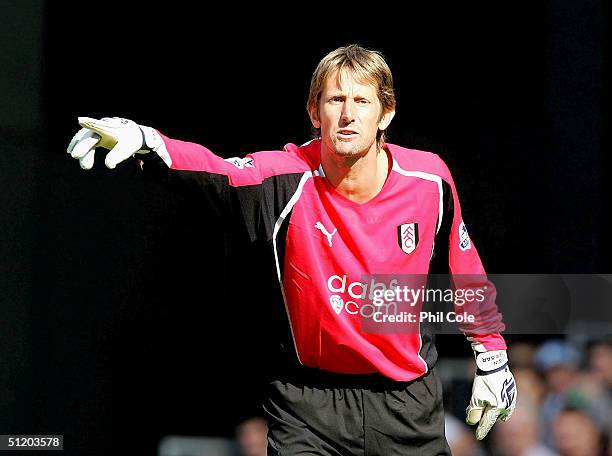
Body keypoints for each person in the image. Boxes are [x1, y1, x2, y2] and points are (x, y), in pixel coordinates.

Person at [67, 44, 516, 455]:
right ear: (314, 112)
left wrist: (493, 357)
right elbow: (215, 171)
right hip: (307, 406)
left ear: (386, 113)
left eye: (362, 101)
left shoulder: (429, 180)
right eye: (335, 100)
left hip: (405, 403)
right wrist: (149, 142)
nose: (348, 114)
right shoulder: (282, 178)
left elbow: (464, 268)